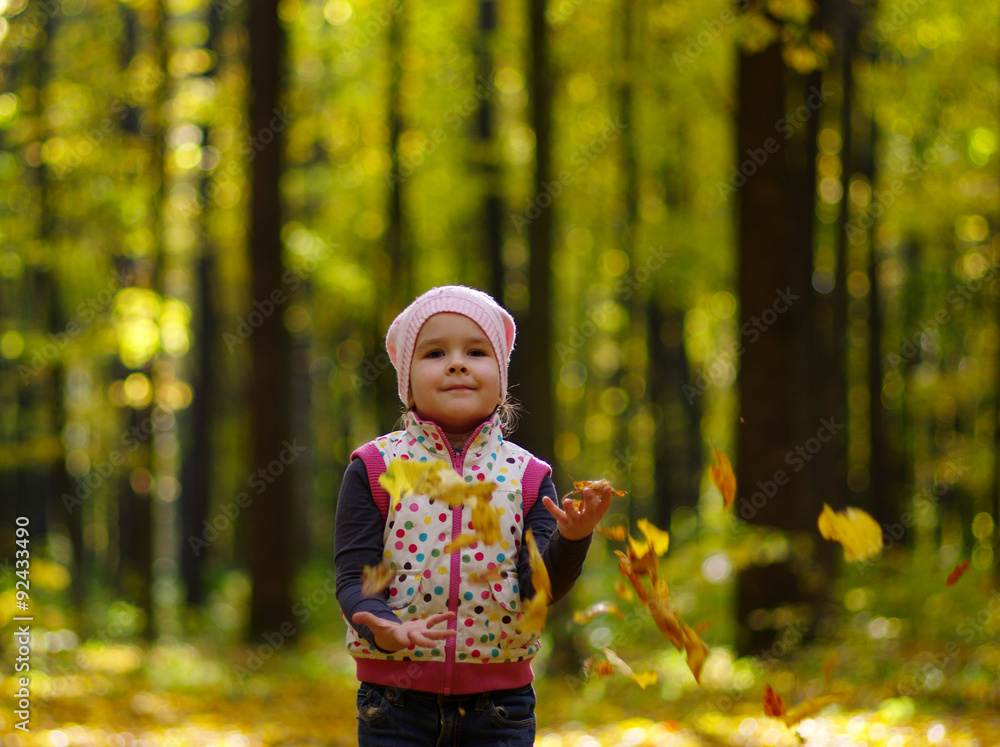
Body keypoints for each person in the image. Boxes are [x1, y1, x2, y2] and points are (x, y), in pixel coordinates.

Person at [335, 285, 613, 746]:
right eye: (435, 352)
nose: (457, 363)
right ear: (407, 379)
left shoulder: (527, 476)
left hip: (501, 709)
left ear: (501, 376)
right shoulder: (374, 468)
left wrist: (574, 538)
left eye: (477, 351)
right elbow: (353, 576)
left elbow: (535, 593)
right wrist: (379, 623)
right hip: (394, 704)